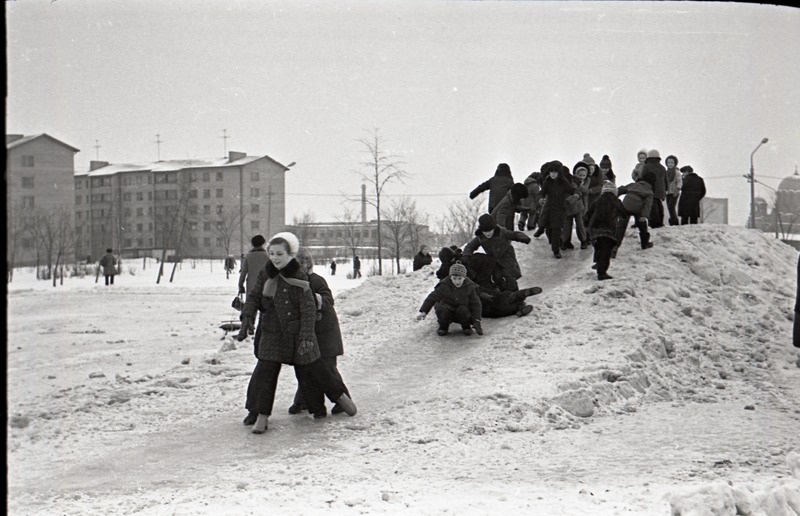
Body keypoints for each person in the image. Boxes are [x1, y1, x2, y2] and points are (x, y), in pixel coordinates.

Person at [237, 232, 356, 434]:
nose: (275, 258)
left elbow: (308, 309)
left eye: (279, 254)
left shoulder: (301, 277)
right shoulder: (266, 274)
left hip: (296, 332)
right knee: (265, 372)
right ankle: (260, 415)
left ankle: (339, 399)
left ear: (290, 255)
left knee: (316, 369)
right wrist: (248, 316)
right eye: (272, 254)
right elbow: (255, 296)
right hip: (273, 333)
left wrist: (307, 336)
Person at [287, 248, 352, 416]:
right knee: (306, 367)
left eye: (304, 262)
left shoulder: (316, 280)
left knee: (328, 369)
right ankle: (303, 401)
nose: (302, 265)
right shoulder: (292, 283)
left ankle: (343, 401)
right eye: (298, 263)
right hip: (310, 332)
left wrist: (311, 299)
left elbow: (328, 300)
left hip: (325, 332)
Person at [463, 213, 531, 291]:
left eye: (489, 230)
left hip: (507, 258)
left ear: (494, 228)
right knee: (497, 277)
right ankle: (504, 294)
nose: (487, 233)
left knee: (508, 276)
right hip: (494, 261)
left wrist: (522, 237)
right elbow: (470, 246)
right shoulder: (480, 237)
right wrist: (466, 255)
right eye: (485, 231)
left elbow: (514, 234)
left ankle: (516, 294)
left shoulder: (502, 232)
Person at [416, 261, 483, 336]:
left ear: (464, 278)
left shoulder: (470, 286)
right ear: (450, 277)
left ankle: (466, 326)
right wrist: (424, 311)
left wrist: (477, 320)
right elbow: (432, 297)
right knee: (441, 307)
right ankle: (443, 327)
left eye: (460, 278)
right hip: (448, 310)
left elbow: (476, 304)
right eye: (454, 278)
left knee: (463, 310)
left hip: (463, 311)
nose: (457, 281)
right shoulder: (444, 285)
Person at [465, 253, 542, 317]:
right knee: (505, 300)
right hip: (488, 305)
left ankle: (521, 305)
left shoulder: (470, 280)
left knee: (504, 303)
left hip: (489, 308)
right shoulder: (468, 282)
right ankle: (523, 297)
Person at [585, 181, 626, 280]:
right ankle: (602, 272)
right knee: (606, 251)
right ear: (614, 192)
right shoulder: (616, 201)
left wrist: (587, 225)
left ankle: (598, 263)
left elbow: (588, 214)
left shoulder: (597, 200)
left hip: (595, 229)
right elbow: (624, 214)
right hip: (609, 230)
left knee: (598, 247)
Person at [537, 160, 576, 258]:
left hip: (559, 209)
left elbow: (573, 190)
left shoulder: (564, 182)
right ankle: (555, 243)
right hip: (549, 209)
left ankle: (556, 250)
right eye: (551, 172)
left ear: (559, 172)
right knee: (548, 230)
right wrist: (540, 199)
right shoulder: (547, 181)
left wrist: (575, 196)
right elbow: (542, 192)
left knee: (556, 230)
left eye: (555, 172)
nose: (553, 174)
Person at [614, 171, 655, 253]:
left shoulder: (633, 185)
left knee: (620, 228)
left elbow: (621, 189)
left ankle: (614, 247)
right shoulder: (649, 191)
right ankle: (645, 244)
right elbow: (647, 205)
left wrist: (615, 194)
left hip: (625, 206)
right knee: (643, 227)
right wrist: (644, 216)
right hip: (638, 209)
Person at [563, 161, 589, 250]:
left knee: (580, 224)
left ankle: (583, 241)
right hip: (567, 207)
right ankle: (566, 241)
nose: (581, 177)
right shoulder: (561, 183)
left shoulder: (574, 182)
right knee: (566, 225)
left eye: (583, 175)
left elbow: (580, 191)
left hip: (577, 206)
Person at [642, 149, 668, 229]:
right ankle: (660, 221)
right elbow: (665, 180)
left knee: (652, 206)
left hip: (650, 188)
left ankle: (654, 223)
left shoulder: (646, 166)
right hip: (661, 190)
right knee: (659, 205)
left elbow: (643, 177)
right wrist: (666, 189)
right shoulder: (662, 167)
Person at [239, 235, 269, 300]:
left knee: (251, 304)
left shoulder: (248, 256)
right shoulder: (268, 256)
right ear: (263, 243)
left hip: (251, 286)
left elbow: (243, 272)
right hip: (265, 286)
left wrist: (240, 285)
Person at [665, 155, 682, 226]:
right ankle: (672, 221)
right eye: (668, 163)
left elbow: (679, 181)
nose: (670, 164)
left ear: (675, 163)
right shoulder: (666, 172)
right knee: (669, 207)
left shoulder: (677, 172)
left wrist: (677, 189)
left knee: (671, 207)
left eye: (672, 163)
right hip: (667, 192)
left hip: (675, 192)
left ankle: (675, 222)